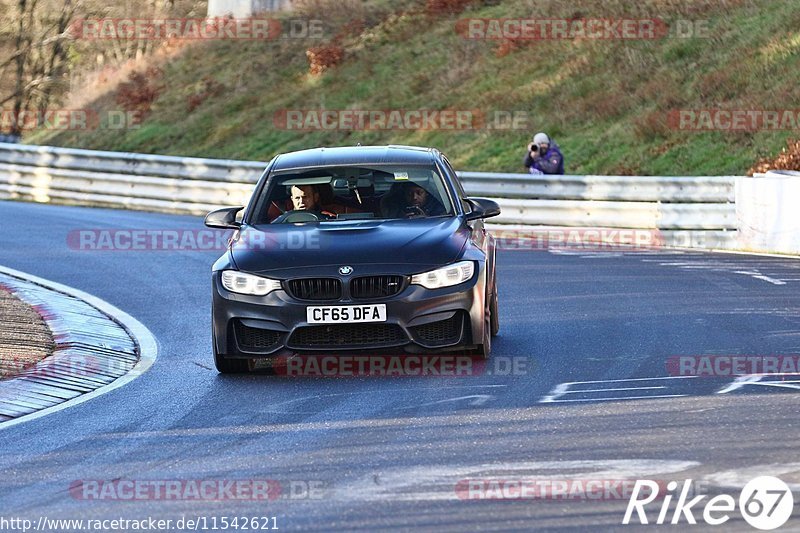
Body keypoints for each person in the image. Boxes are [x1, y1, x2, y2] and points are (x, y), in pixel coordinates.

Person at [380, 181, 445, 219]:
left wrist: (426, 218)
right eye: (409, 194)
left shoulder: (439, 206)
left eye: (419, 193)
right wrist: (401, 220)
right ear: (404, 195)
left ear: (427, 193)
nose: (414, 197)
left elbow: (443, 222)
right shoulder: (394, 207)